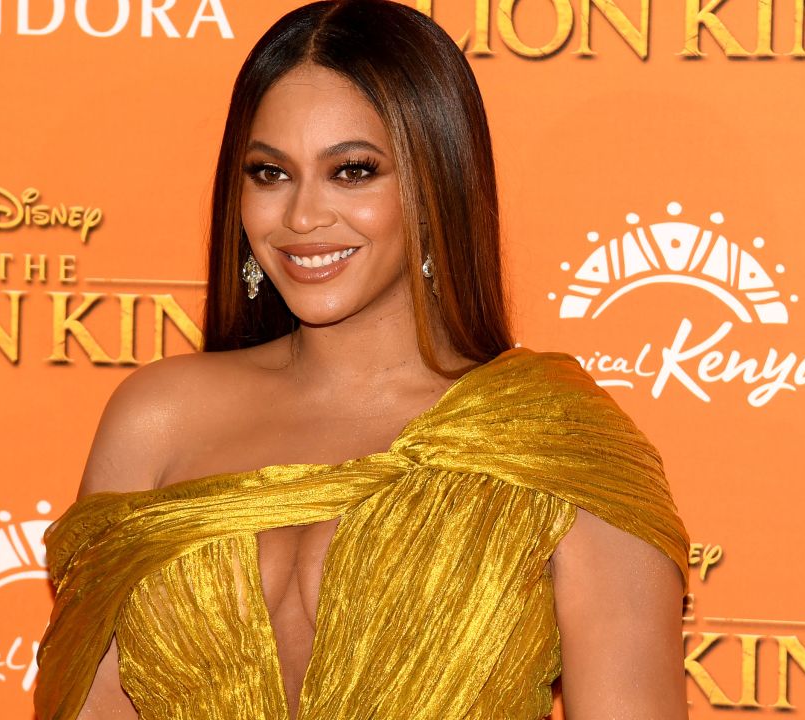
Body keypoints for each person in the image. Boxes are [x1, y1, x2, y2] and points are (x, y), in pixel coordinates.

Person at [34, 1, 691, 719]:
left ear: (435, 183)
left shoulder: (554, 444)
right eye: (269, 173)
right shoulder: (155, 419)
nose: (302, 217)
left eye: (352, 171)